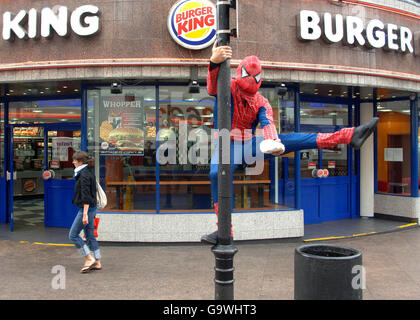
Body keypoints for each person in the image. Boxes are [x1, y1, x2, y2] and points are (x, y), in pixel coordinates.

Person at [201, 41, 379, 245]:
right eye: (248, 77)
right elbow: (213, 87)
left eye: (254, 78)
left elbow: (267, 122)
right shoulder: (229, 86)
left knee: (291, 139)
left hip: (247, 144)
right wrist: (214, 63)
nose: (250, 82)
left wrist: (273, 141)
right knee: (216, 173)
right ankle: (225, 230)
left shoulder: (261, 101)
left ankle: (348, 135)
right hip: (225, 144)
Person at [69, 151, 102, 273]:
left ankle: (89, 258)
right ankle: (97, 261)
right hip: (92, 208)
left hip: (86, 209)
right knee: (89, 235)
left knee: (73, 235)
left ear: (80, 162)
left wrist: (84, 214)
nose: (73, 162)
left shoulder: (83, 175)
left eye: (74, 160)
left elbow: (86, 196)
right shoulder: (88, 172)